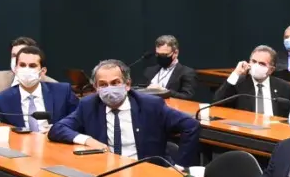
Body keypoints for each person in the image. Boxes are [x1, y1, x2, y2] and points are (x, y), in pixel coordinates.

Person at [49, 59, 200, 166]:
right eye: (103, 84)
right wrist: (89, 141)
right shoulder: (89, 105)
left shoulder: (150, 105)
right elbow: (58, 129)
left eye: (115, 83)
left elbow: (191, 126)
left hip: (147, 173)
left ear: (127, 84)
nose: (109, 88)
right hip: (104, 172)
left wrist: (181, 167)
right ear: (95, 88)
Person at [0, 46, 79, 131]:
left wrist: (57, 130)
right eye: (22, 65)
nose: (26, 69)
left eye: (32, 66)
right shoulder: (3, 99)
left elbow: (78, 121)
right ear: (15, 69)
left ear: (43, 71)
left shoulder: (62, 92)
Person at [215, 45, 290, 115]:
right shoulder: (238, 83)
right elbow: (218, 102)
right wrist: (236, 73)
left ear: (271, 70)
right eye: (254, 61)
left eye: (262, 64)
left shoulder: (284, 87)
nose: (256, 66)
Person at [144, 34, 198, 100]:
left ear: (175, 53)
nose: (160, 57)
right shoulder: (150, 70)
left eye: (164, 55)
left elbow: (188, 97)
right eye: (158, 54)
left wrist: (164, 91)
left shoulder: (187, 73)